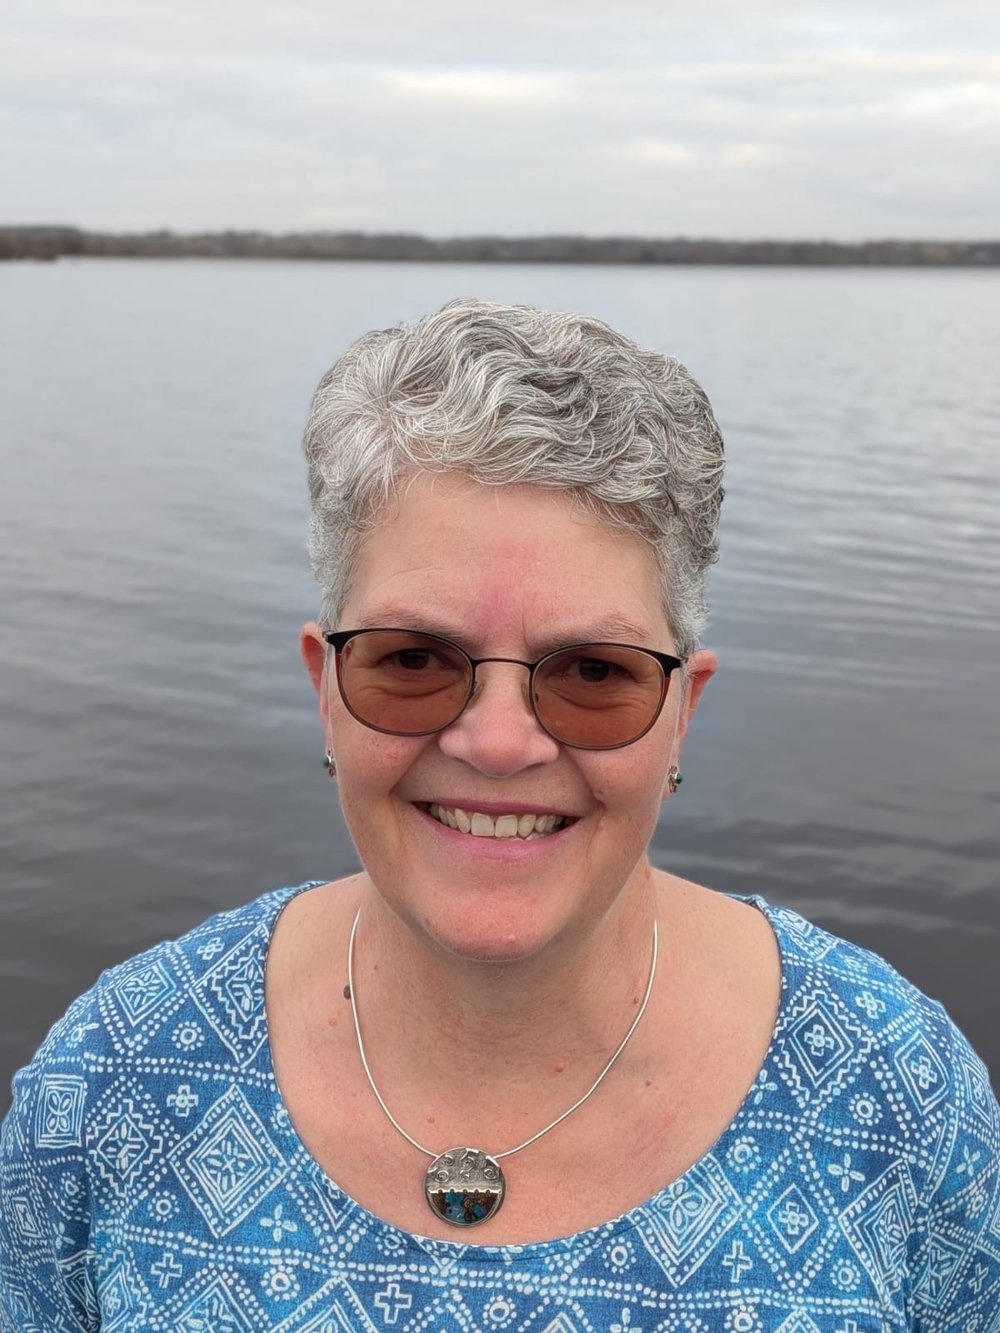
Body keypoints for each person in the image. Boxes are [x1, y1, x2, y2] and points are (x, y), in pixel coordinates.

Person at [1, 299, 997, 1331]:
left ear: (682, 713)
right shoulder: (118, 1077)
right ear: (324, 689)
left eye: (593, 671)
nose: (500, 742)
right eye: (414, 660)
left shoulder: (893, 1093)